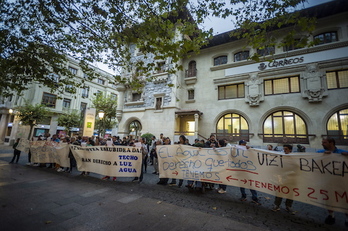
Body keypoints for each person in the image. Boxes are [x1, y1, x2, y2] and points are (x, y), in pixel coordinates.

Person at [316, 138, 348, 226]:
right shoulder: (320, 152)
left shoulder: (342, 152)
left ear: (331, 143)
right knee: (329, 199)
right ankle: (331, 215)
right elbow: (313, 161)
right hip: (327, 181)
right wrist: (322, 155)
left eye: (324, 142)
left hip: (341, 181)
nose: (322, 144)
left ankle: (347, 217)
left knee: (344, 199)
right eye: (322, 142)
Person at [272, 144, 295, 214]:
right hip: (282, 178)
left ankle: (288, 206)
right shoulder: (281, 156)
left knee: (290, 193)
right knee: (279, 192)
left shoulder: (295, 158)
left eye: (286, 149)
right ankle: (277, 205)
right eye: (284, 149)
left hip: (291, 178)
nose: (284, 150)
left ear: (290, 150)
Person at [238, 140, 261, 205]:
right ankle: (243, 196)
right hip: (241, 170)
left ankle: (255, 198)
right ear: (240, 144)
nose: (245, 145)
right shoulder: (237, 150)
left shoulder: (249, 150)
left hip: (249, 170)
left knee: (251, 184)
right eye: (243, 144)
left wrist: (250, 149)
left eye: (245, 144)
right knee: (242, 184)